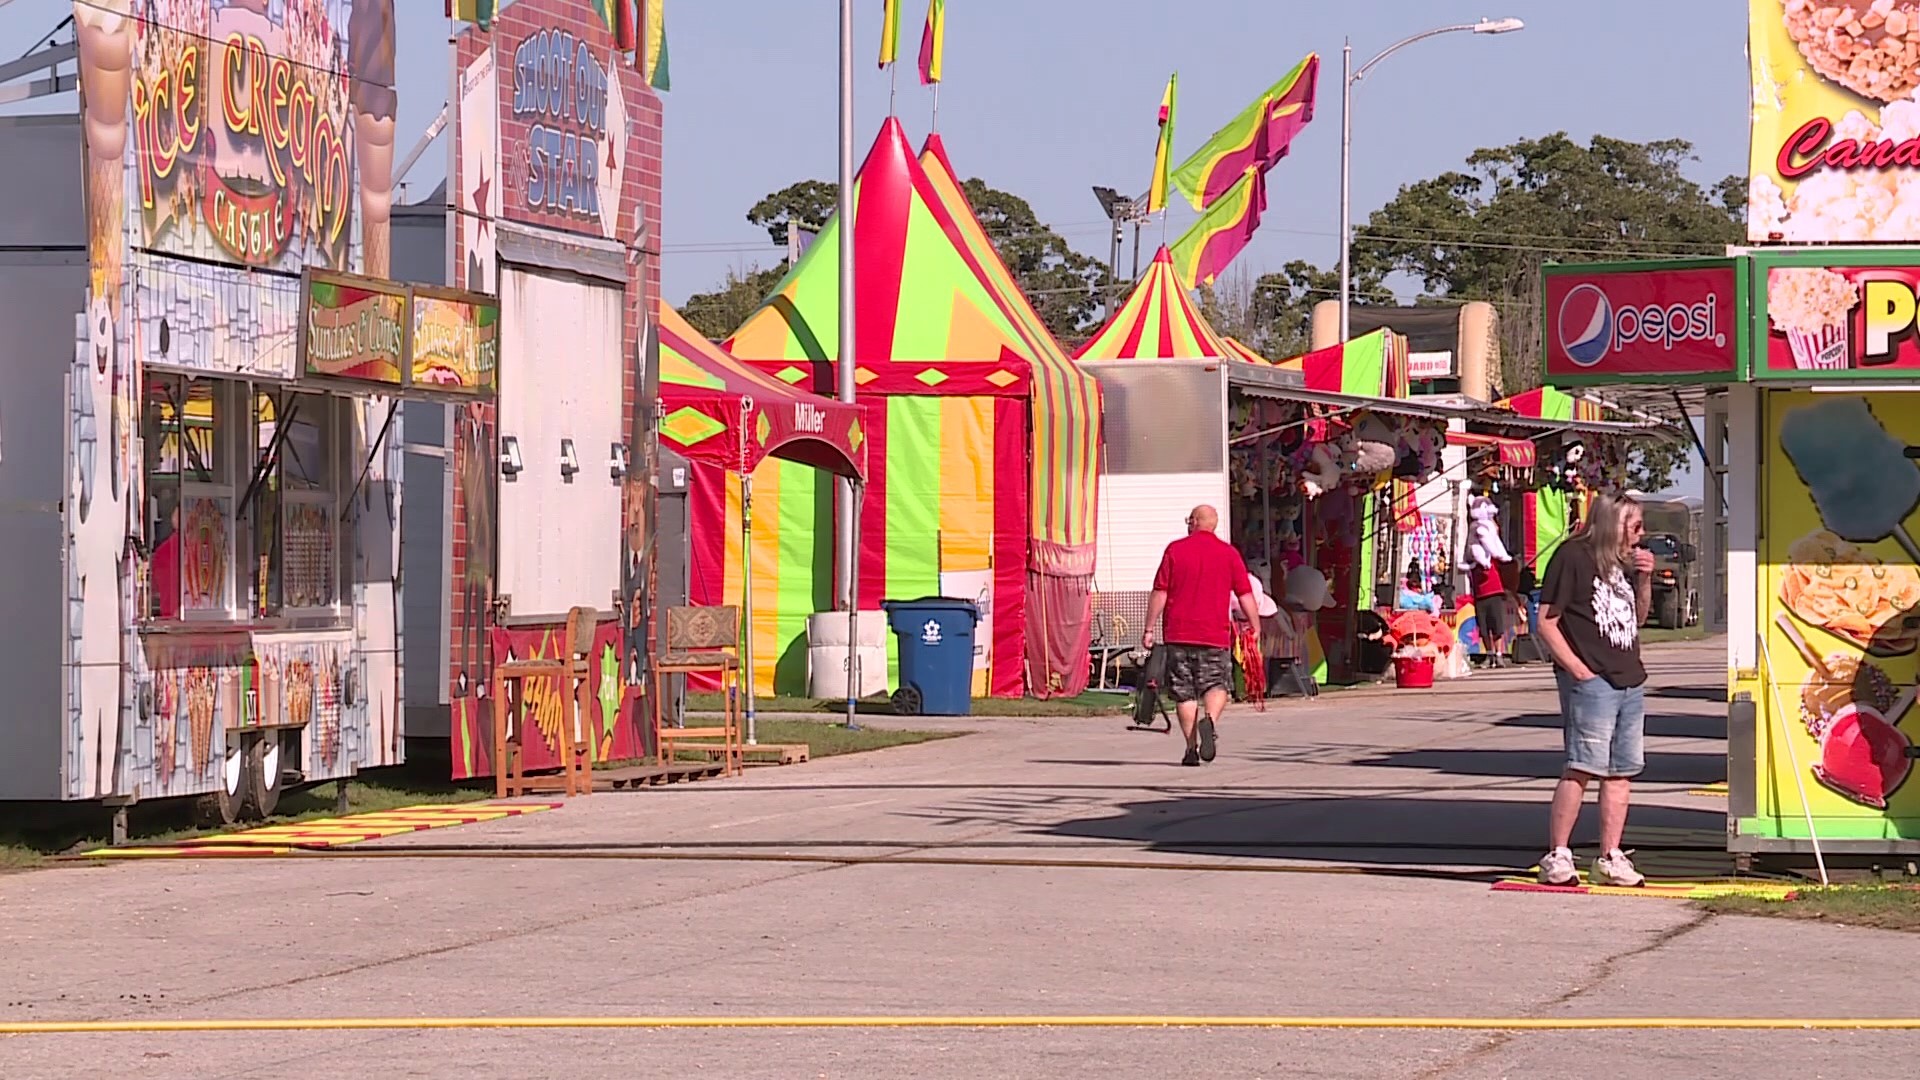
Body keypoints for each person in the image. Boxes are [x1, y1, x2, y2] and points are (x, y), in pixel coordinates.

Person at [1533, 492, 1655, 887]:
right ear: (1611, 523)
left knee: (1621, 773)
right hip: (1593, 679)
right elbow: (1546, 621)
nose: (1640, 535)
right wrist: (1577, 669)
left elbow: (1636, 618)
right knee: (1582, 766)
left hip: (1629, 678)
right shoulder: (1573, 557)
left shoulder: (1623, 564)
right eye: (1634, 526)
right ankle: (1559, 853)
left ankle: (1610, 855)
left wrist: (1646, 578)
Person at [1142, 506, 1261, 766]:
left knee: (1184, 693)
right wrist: (1255, 625)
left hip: (1179, 633)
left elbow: (1160, 591)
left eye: (1189, 520)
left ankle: (1190, 748)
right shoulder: (1229, 554)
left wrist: (1149, 627)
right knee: (1216, 685)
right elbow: (1245, 594)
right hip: (1214, 635)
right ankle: (1211, 720)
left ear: (1195, 522)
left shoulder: (1175, 550)